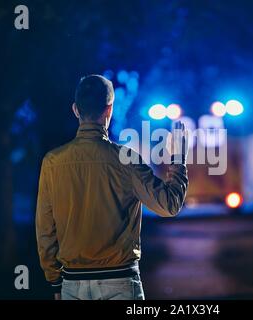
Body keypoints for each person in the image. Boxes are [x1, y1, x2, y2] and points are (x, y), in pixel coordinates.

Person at [35, 74, 188, 300]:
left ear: (76, 110)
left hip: (72, 284)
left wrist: (54, 281)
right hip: (119, 282)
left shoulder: (52, 162)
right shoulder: (126, 159)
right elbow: (170, 205)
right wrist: (177, 160)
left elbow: (45, 229)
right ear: (109, 110)